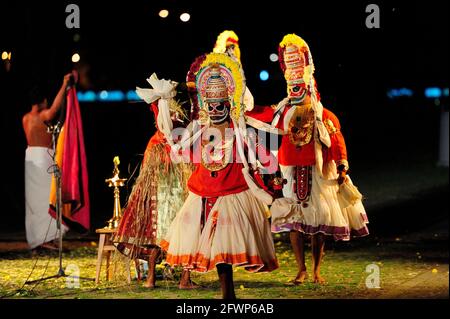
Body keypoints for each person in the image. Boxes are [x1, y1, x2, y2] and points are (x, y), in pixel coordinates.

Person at [139, 53, 279, 299]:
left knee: (225, 248)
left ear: (229, 104)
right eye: (210, 106)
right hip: (203, 194)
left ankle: (228, 294)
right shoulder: (198, 131)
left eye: (220, 106)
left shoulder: (240, 130)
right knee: (217, 249)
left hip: (233, 193)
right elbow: (178, 150)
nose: (215, 111)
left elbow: (261, 154)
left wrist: (270, 175)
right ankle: (228, 294)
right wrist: (163, 105)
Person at [249, 34, 369, 284]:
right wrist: (242, 109)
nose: (295, 91)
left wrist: (342, 165)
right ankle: (301, 270)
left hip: (319, 174)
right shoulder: (283, 112)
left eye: (299, 87)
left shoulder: (323, 115)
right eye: (291, 87)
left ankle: (315, 271)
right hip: (290, 174)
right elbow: (265, 122)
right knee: (294, 223)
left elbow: (337, 142)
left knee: (317, 225)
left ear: (310, 87)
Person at [112, 96, 197, 289]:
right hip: (175, 194)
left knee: (159, 237)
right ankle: (184, 279)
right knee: (186, 233)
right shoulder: (168, 141)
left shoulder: (158, 142)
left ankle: (152, 278)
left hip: (162, 197)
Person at [22, 73, 73, 251]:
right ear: (43, 101)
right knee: (47, 198)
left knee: (34, 201)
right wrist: (64, 83)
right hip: (43, 158)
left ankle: (37, 238)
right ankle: (47, 238)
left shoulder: (25, 118)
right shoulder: (43, 115)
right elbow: (55, 109)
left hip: (29, 158)